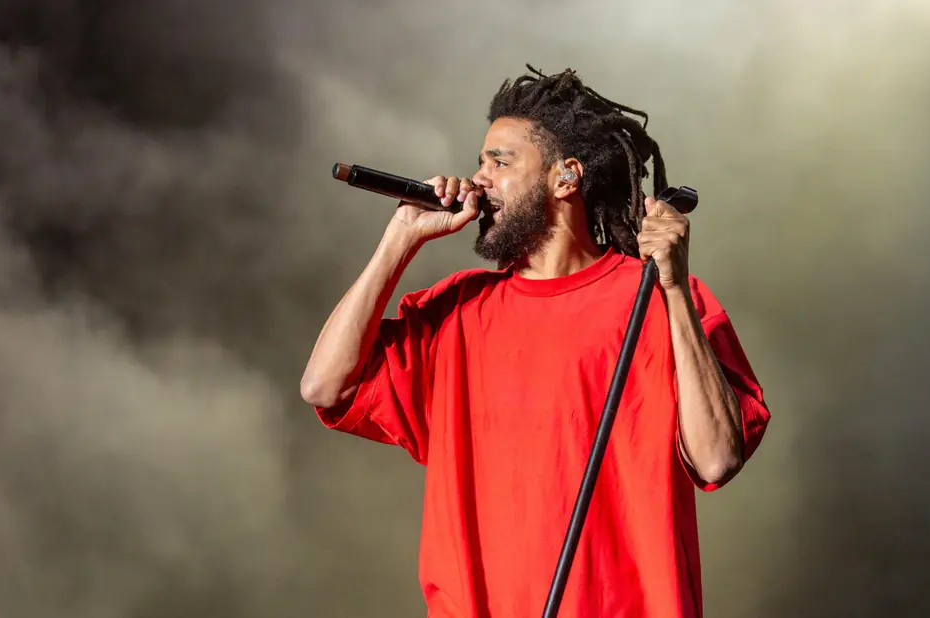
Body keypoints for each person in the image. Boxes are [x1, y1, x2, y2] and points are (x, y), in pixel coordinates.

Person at [301, 65, 770, 618]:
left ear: (565, 177)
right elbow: (323, 385)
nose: (478, 180)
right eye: (479, 162)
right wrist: (400, 237)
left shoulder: (662, 298)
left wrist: (671, 286)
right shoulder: (457, 311)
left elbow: (717, 459)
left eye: (499, 162)